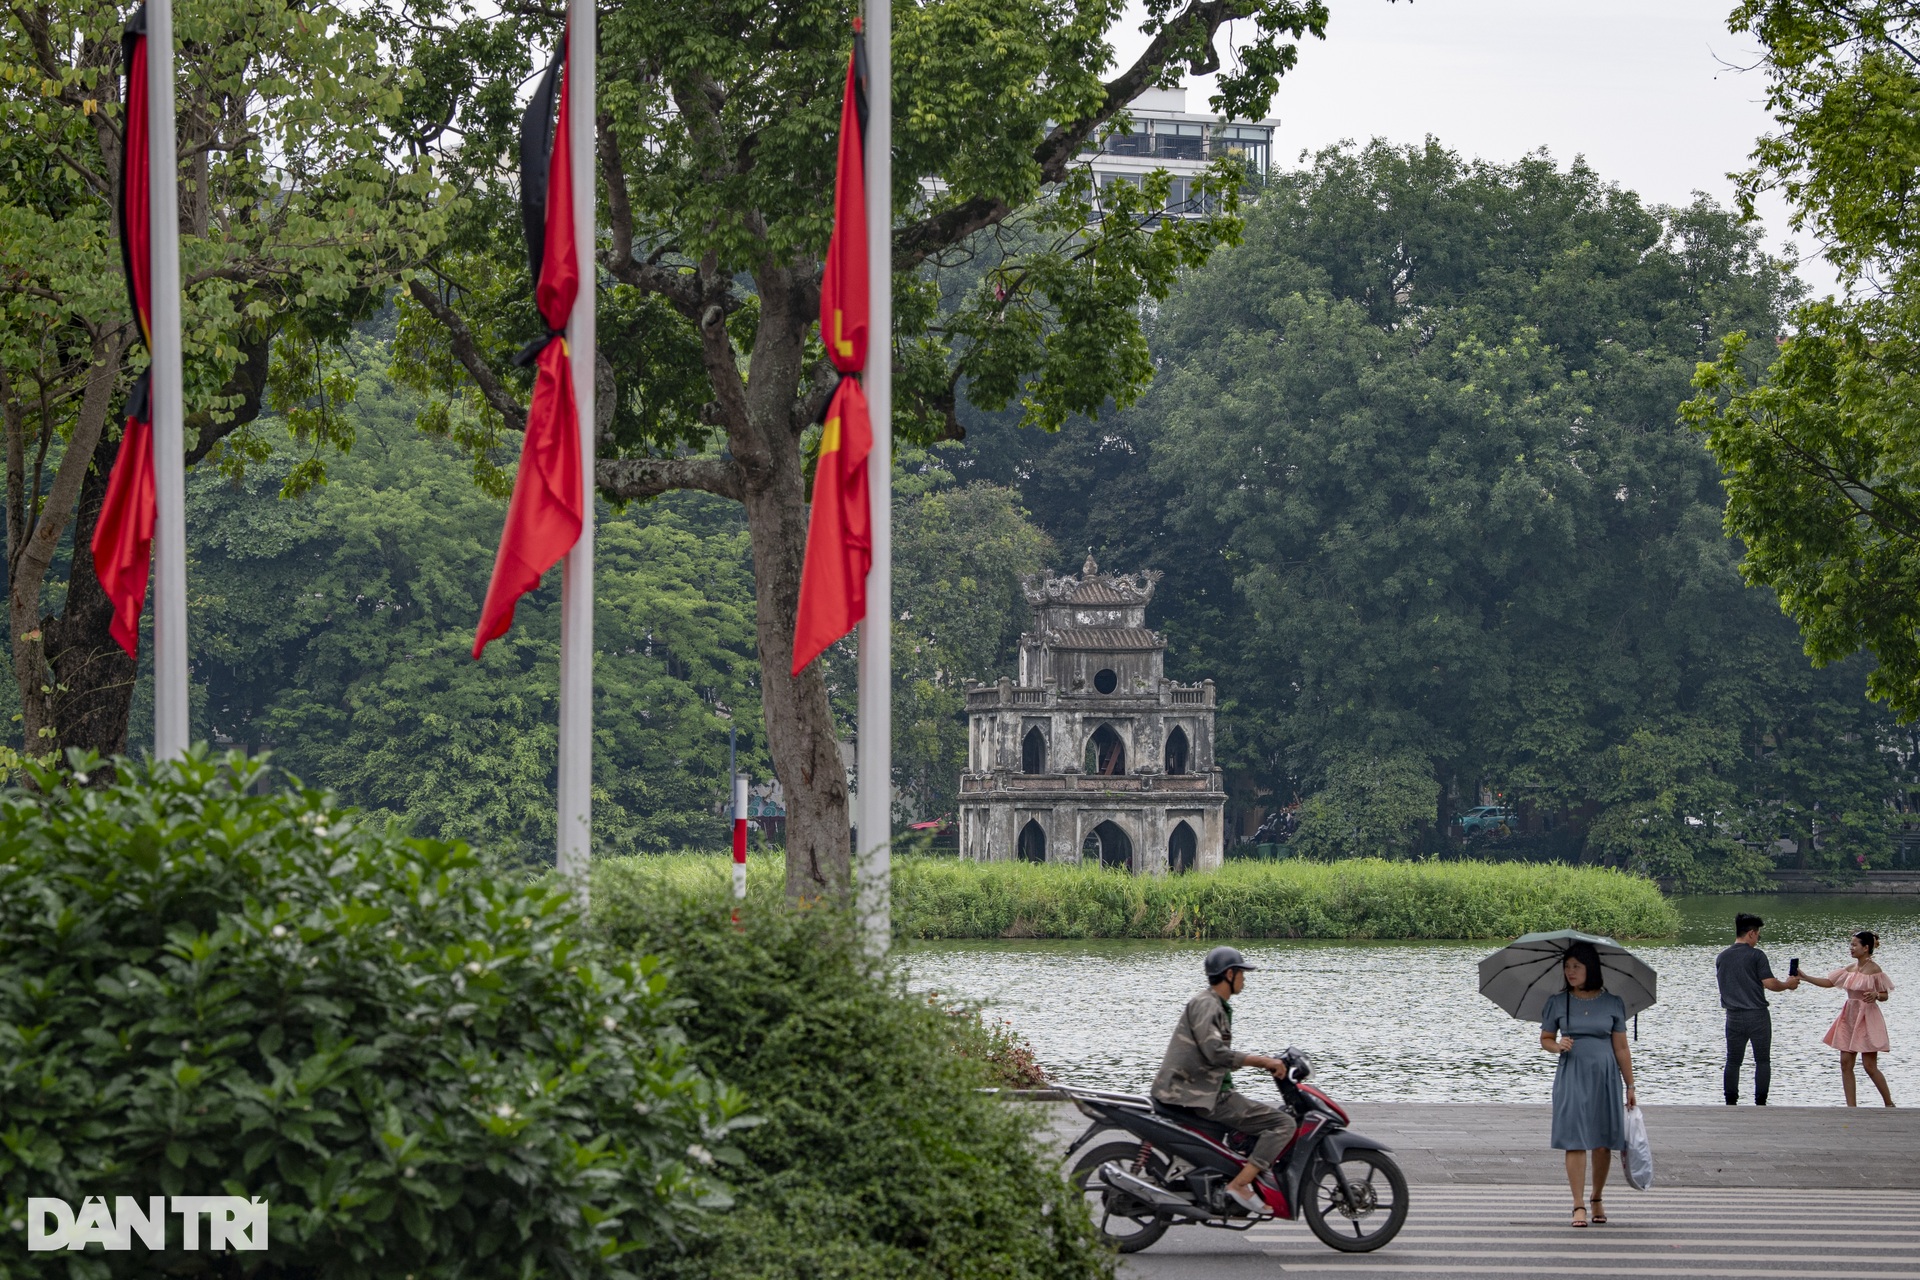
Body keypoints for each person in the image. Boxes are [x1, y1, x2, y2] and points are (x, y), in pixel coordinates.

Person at [1152, 945, 1298, 1218]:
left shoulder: (1213, 1004)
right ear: (1229, 974)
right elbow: (1215, 1053)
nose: (1244, 979)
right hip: (1203, 1095)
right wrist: (1263, 1061)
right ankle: (1240, 1184)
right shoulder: (1207, 1005)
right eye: (1242, 973)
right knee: (1283, 1123)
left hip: (1204, 1089)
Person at [1539, 940, 1637, 1229]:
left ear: (1590, 968)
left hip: (1606, 1075)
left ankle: (1597, 1197)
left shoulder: (1613, 1002)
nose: (1570, 972)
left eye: (1576, 967)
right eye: (1567, 967)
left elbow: (1621, 1048)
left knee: (1603, 1141)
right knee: (1574, 1138)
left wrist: (1630, 1086)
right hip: (1572, 1074)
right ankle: (1577, 1204)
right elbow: (1545, 1039)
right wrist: (1557, 1046)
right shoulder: (1557, 1002)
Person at [1797, 930, 1896, 1107]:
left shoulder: (1875, 969)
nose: (1851, 948)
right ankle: (1851, 1107)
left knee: (1869, 1065)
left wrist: (1876, 995)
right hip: (1850, 1015)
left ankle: (1889, 1103)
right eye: (1851, 944)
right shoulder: (1850, 969)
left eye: (1854, 945)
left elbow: (1884, 995)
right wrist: (1804, 977)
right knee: (1845, 1062)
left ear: (1866, 948)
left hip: (1866, 1016)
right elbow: (1829, 982)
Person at [1715, 912, 1800, 1105]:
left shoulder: (1722, 957)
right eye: (1758, 934)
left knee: (1733, 1060)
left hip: (1733, 1016)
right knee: (1762, 1060)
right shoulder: (1757, 955)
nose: (1758, 938)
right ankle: (1760, 1102)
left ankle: (1730, 1101)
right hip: (1757, 1016)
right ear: (1751, 933)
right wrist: (1787, 984)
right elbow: (1769, 983)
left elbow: (1735, 982)